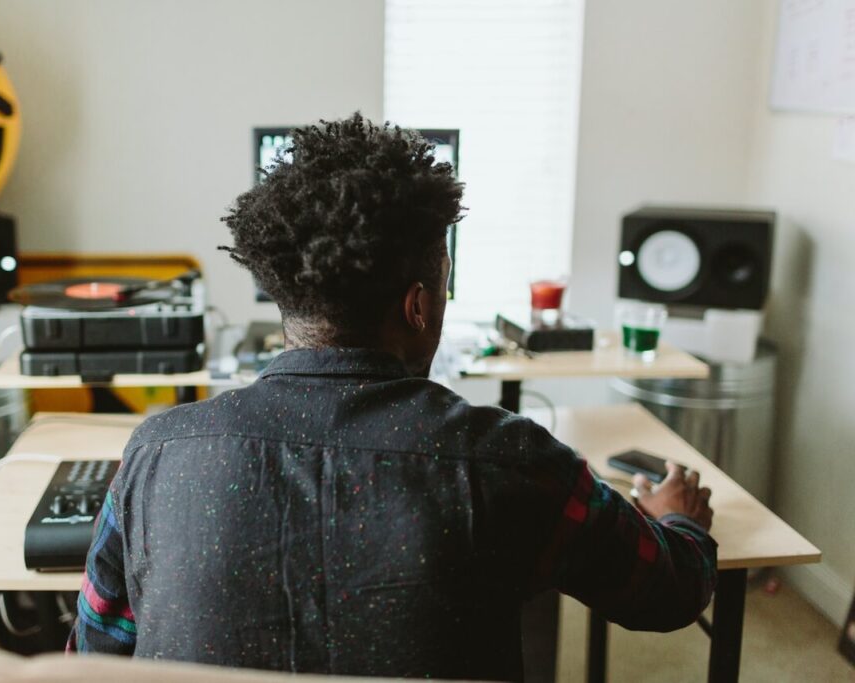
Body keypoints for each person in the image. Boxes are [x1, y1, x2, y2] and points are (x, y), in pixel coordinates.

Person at [70, 113, 716, 680]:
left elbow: (93, 657)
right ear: (418, 305)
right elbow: (666, 591)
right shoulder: (512, 461)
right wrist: (678, 517)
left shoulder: (155, 453)